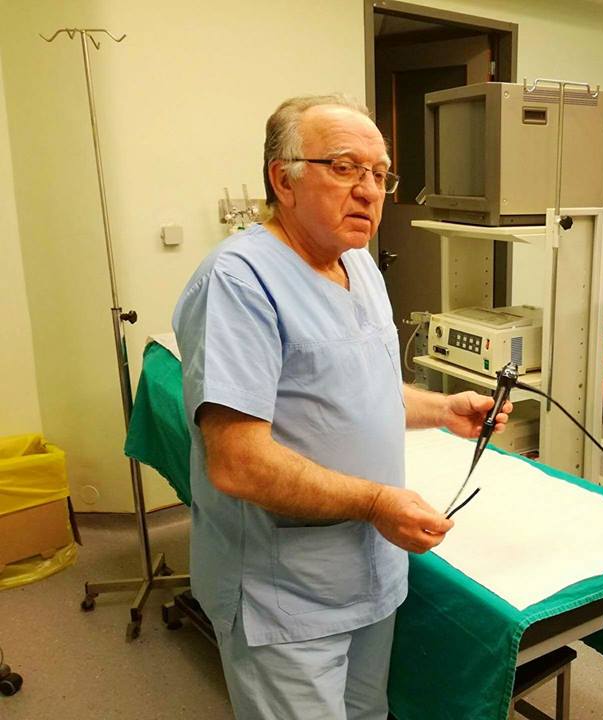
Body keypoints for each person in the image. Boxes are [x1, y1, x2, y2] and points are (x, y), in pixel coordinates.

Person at [172, 94, 512, 720]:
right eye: (345, 167)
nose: (369, 190)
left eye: (380, 174)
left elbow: (358, 387)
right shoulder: (239, 282)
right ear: (284, 180)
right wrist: (378, 502)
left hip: (369, 572)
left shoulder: (359, 265)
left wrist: (442, 409)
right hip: (285, 594)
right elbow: (238, 463)